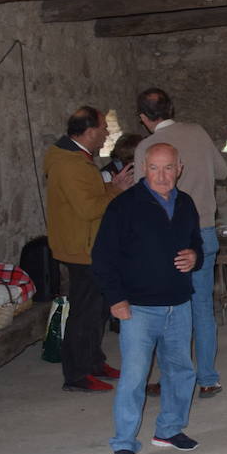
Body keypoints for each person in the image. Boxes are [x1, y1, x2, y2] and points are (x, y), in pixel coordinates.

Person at [94, 143, 203, 454]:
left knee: (181, 371)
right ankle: (124, 444)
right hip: (139, 308)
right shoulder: (124, 206)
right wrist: (116, 299)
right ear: (144, 168)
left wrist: (195, 257)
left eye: (168, 167)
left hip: (179, 305)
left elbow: (196, 241)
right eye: (154, 168)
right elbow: (102, 258)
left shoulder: (186, 204)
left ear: (179, 168)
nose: (161, 175)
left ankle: (169, 430)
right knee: (134, 377)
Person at [134, 88, 227, 398]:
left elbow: (141, 194)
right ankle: (207, 378)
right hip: (202, 230)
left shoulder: (147, 147)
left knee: (167, 308)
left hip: (166, 236)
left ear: (143, 118)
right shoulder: (198, 132)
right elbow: (222, 171)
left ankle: (172, 378)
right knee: (202, 308)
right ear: (171, 108)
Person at [44, 105, 134, 393]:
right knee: (84, 313)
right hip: (80, 248)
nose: (106, 134)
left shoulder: (77, 158)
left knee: (97, 311)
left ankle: (94, 362)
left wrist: (112, 188)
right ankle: (77, 375)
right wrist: (116, 192)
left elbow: (91, 197)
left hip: (88, 244)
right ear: (90, 131)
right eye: (103, 129)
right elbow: (88, 209)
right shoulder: (69, 163)